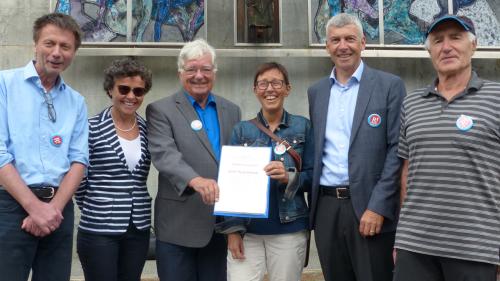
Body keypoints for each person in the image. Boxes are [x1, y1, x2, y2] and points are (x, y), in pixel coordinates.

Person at [393, 15, 500, 281]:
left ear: (473, 45)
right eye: (438, 40)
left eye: (456, 37)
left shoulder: (496, 98)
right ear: (429, 50)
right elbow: (406, 172)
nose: (446, 46)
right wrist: (402, 236)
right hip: (414, 246)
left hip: (476, 247)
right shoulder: (412, 103)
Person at [307, 13, 406, 281]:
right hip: (326, 210)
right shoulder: (316, 92)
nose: (343, 46)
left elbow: (397, 150)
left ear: (362, 42)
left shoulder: (389, 86)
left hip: (369, 207)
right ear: (327, 46)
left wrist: (378, 206)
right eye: (335, 40)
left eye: (350, 39)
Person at [0, 13, 88, 281]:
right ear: (35, 45)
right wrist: (34, 207)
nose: (57, 53)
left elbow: (79, 160)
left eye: (66, 47)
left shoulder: (76, 101)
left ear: (73, 53)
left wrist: (53, 209)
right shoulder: (4, 85)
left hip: (59, 209)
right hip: (10, 206)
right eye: (49, 43)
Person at [146, 39, 241, 281]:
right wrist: (195, 180)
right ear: (180, 73)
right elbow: (164, 154)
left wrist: (236, 223)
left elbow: (237, 162)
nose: (199, 75)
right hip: (178, 227)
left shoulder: (232, 110)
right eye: (191, 69)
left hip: (219, 227)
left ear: (214, 73)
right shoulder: (161, 110)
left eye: (206, 69)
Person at [216, 62, 313, 281]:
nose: (270, 89)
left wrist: (290, 177)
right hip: (247, 232)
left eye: (276, 83)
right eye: (263, 84)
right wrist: (232, 231)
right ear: (255, 90)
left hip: (289, 228)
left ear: (287, 88)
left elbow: (314, 176)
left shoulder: (303, 127)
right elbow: (229, 184)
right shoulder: (241, 130)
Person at [75, 57, 153, 281]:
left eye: (138, 91)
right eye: (124, 89)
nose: (131, 96)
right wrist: (96, 204)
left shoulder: (149, 129)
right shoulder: (91, 127)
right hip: (98, 227)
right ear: (110, 89)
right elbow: (79, 180)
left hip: (138, 227)